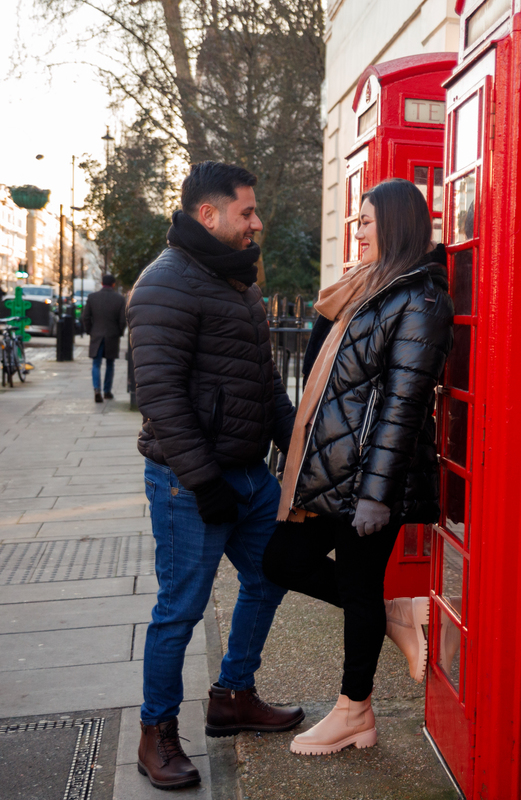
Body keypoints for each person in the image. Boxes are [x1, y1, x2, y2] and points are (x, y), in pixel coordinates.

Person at [127, 161, 303, 790]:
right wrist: (204, 484)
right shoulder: (163, 284)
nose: (258, 222)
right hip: (186, 482)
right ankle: (157, 733)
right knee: (180, 610)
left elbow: (265, 385)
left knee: (269, 577)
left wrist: (299, 453)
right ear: (209, 214)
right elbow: (162, 398)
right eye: (247, 212)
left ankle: (232, 695)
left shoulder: (240, 282)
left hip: (250, 475)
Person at [262, 178, 452, 756]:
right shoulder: (367, 288)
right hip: (335, 471)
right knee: (281, 559)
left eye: (366, 220)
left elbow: (403, 403)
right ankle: (395, 616)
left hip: (373, 478)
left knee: (358, 583)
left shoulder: (421, 299)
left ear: (393, 224)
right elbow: (327, 371)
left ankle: (354, 712)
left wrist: (376, 494)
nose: (357, 229)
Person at [82, 274, 126, 402]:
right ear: (113, 284)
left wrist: (91, 331)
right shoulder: (119, 299)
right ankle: (107, 391)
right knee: (110, 364)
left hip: (97, 334)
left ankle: (97, 389)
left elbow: (85, 317)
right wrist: (119, 332)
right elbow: (123, 320)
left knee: (96, 364)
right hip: (112, 335)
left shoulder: (92, 297)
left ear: (102, 283)